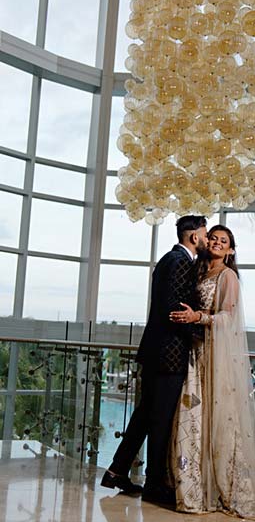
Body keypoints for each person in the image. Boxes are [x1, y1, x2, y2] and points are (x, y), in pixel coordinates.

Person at [169, 225, 255, 520]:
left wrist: (198, 317)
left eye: (224, 241)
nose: (218, 243)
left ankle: (223, 484)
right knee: (192, 415)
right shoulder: (197, 273)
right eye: (214, 238)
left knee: (218, 417)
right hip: (194, 353)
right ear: (206, 241)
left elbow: (228, 317)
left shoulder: (228, 276)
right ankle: (190, 487)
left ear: (231, 250)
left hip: (215, 355)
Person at [101, 215, 208, 503]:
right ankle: (155, 485)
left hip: (156, 351)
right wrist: (203, 329)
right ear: (194, 237)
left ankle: (116, 471)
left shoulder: (168, 260)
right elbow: (174, 311)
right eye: (205, 233)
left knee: (145, 416)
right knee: (160, 420)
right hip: (168, 354)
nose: (207, 239)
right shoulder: (180, 262)